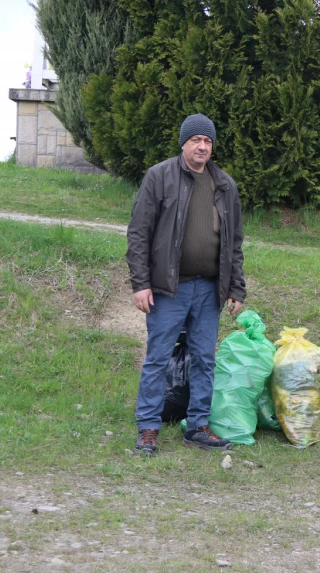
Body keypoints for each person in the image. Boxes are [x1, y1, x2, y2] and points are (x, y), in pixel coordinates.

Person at [127, 113, 246, 455]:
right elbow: (138, 234)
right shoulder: (159, 177)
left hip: (209, 290)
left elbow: (234, 241)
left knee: (205, 360)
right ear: (183, 143)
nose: (202, 146)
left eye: (208, 141)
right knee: (158, 358)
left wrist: (236, 287)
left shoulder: (224, 185)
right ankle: (148, 429)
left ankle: (197, 426)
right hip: (169, 289)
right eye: (196, 140)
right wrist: (141, 283)